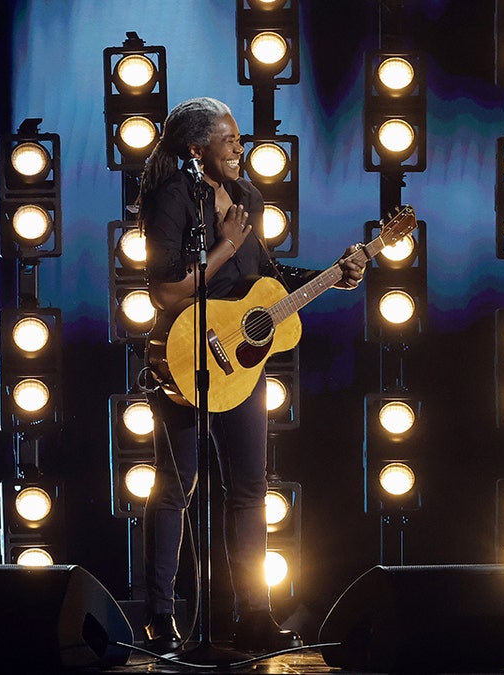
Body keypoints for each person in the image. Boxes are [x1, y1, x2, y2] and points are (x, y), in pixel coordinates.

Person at [137, 97, 366, 654]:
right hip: (187, 356)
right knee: (176, 486)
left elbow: (265, 280)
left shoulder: (246, 198)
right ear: (198, 150)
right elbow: (164, 290)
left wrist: (333, 275)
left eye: (239, 141)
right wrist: (224, 246)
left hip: (239, 364)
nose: (241, 150)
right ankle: (161, 618)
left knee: (250, 490)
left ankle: (255, 616)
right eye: (230, 141)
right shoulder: (170, 201)